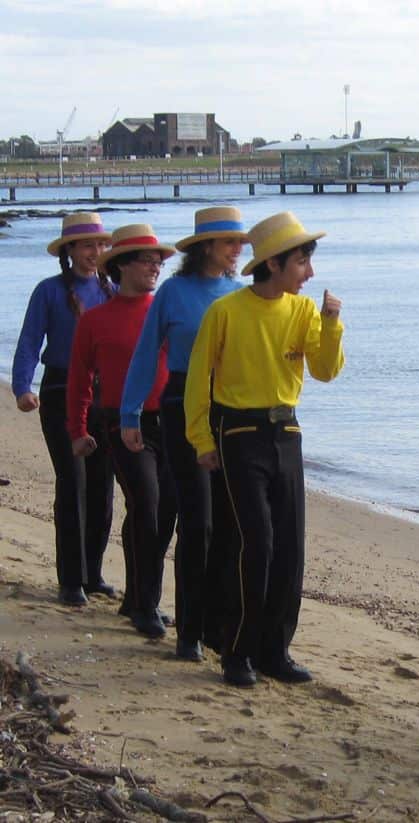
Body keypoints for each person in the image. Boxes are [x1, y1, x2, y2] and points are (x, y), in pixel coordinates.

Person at [184, 211, 344, 688]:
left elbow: (325, 371)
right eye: (301, 262)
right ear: (273, 263)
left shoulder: (303, 310)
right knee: (256, 543)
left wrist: (331, 323)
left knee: (289, 548)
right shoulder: (226, 312)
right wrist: (201, 440)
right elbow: (197, 380)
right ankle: (237, 651)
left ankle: (275, 651)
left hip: (286, 433)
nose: (309, 272)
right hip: (238, 434)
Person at [121, 206, 246, 662]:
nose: (237, 250)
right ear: (206, 246)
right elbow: (145, 353)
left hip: (229, 410)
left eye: (241, 243)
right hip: (179, 407)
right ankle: (188, 631)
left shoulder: (240, 293)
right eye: (230, 242)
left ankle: (217, 626)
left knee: (228, 525)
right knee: (198, 521)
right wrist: (130, 413)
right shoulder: (173, 293)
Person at [67, 224, 177, 638]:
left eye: (158, 261)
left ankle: (138, 597)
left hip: (173, 421)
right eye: (147, 261)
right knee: (146, 503)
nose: (155, 267)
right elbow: (79, 380)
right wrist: (77, 430)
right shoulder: (95, 320)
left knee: (162, 513)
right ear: (122, 266)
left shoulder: (165, 311)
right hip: (122, 423)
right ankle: (145, 606)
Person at [12, 213, 115, 605]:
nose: (95, 252)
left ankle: (93, 573)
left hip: (104, 395)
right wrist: (23, 388)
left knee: (102, 486)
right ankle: (71, 579)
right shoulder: (48, 291)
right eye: (88, 245)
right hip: (59, 390)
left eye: (101, 245)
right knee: (73, 482)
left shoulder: (112, 290)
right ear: (69, 250)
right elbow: (29, 341)